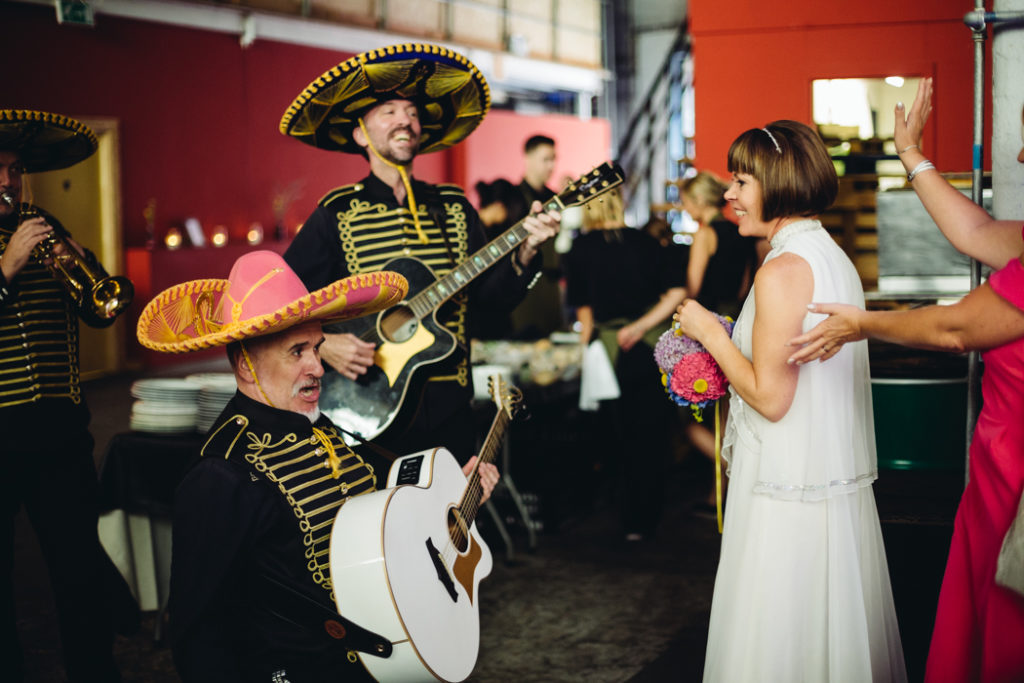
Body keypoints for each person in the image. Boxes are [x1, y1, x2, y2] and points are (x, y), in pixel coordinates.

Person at [136, 251, 499, 682]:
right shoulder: (220, 477)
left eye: (317, 348)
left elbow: (390, 501)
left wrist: (450, 490)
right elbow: (198, 637)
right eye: (297, 352)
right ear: (244, 363)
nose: (318, 367)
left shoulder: (324, 429)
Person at [788, 78, 1024, 682]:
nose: (1020, 155)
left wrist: (862, 324)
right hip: (1000, 467)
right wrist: (911, 154)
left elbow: (956, 332)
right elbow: (974, 234)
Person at [673, 120, 906, 681]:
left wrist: (710, 335)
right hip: (819, 481)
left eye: (741, 180)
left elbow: (771, 399)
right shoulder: (831, 257)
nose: (729, 193)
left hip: (785, 487)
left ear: (776, 184)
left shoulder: (781, 270)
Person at [280, 44, 560, 462]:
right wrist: (324, 345)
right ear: (360, 134)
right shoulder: (336, 212)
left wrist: (526, 252)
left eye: (411, 113)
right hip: (366, 409)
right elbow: (283, 301)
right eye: (389, 111)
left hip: (452, 409)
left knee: (454, 522)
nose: (405, 121)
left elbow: (492, 299)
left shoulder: (454, 206)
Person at [0, 109, 136, 683]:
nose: (7, 182)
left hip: (60, 429)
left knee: (78, 569)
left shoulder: (43, 222)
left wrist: (84, 266)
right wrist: (6, 266)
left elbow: (99, 310)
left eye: (14, 170)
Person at [564, 189, 687, 541]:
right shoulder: (646, 243)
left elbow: (584, 313)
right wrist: (641, 326)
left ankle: (624, 518)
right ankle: (647, 517)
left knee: (615, 435)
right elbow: (677, 293)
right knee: (650, 436)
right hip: (649, 349)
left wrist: (582, 350)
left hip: (607, 353)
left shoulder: (580, 248)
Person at [679, 171, 759, 511]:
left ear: (697, 201)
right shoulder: (742, 234)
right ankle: (720, 494)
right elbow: (745, 286)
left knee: (689, 423)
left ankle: (735, 471)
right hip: (737, 323)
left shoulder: (705, 234)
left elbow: (692, 289)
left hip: (707, 328)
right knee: (728, 414)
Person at [510, 134, 564, 339]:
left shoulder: (556, 198)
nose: (551, 166)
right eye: (545, 159)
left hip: (549, 286)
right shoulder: (512, 197)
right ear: (528, 158)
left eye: (554, 159)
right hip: (522, 289)